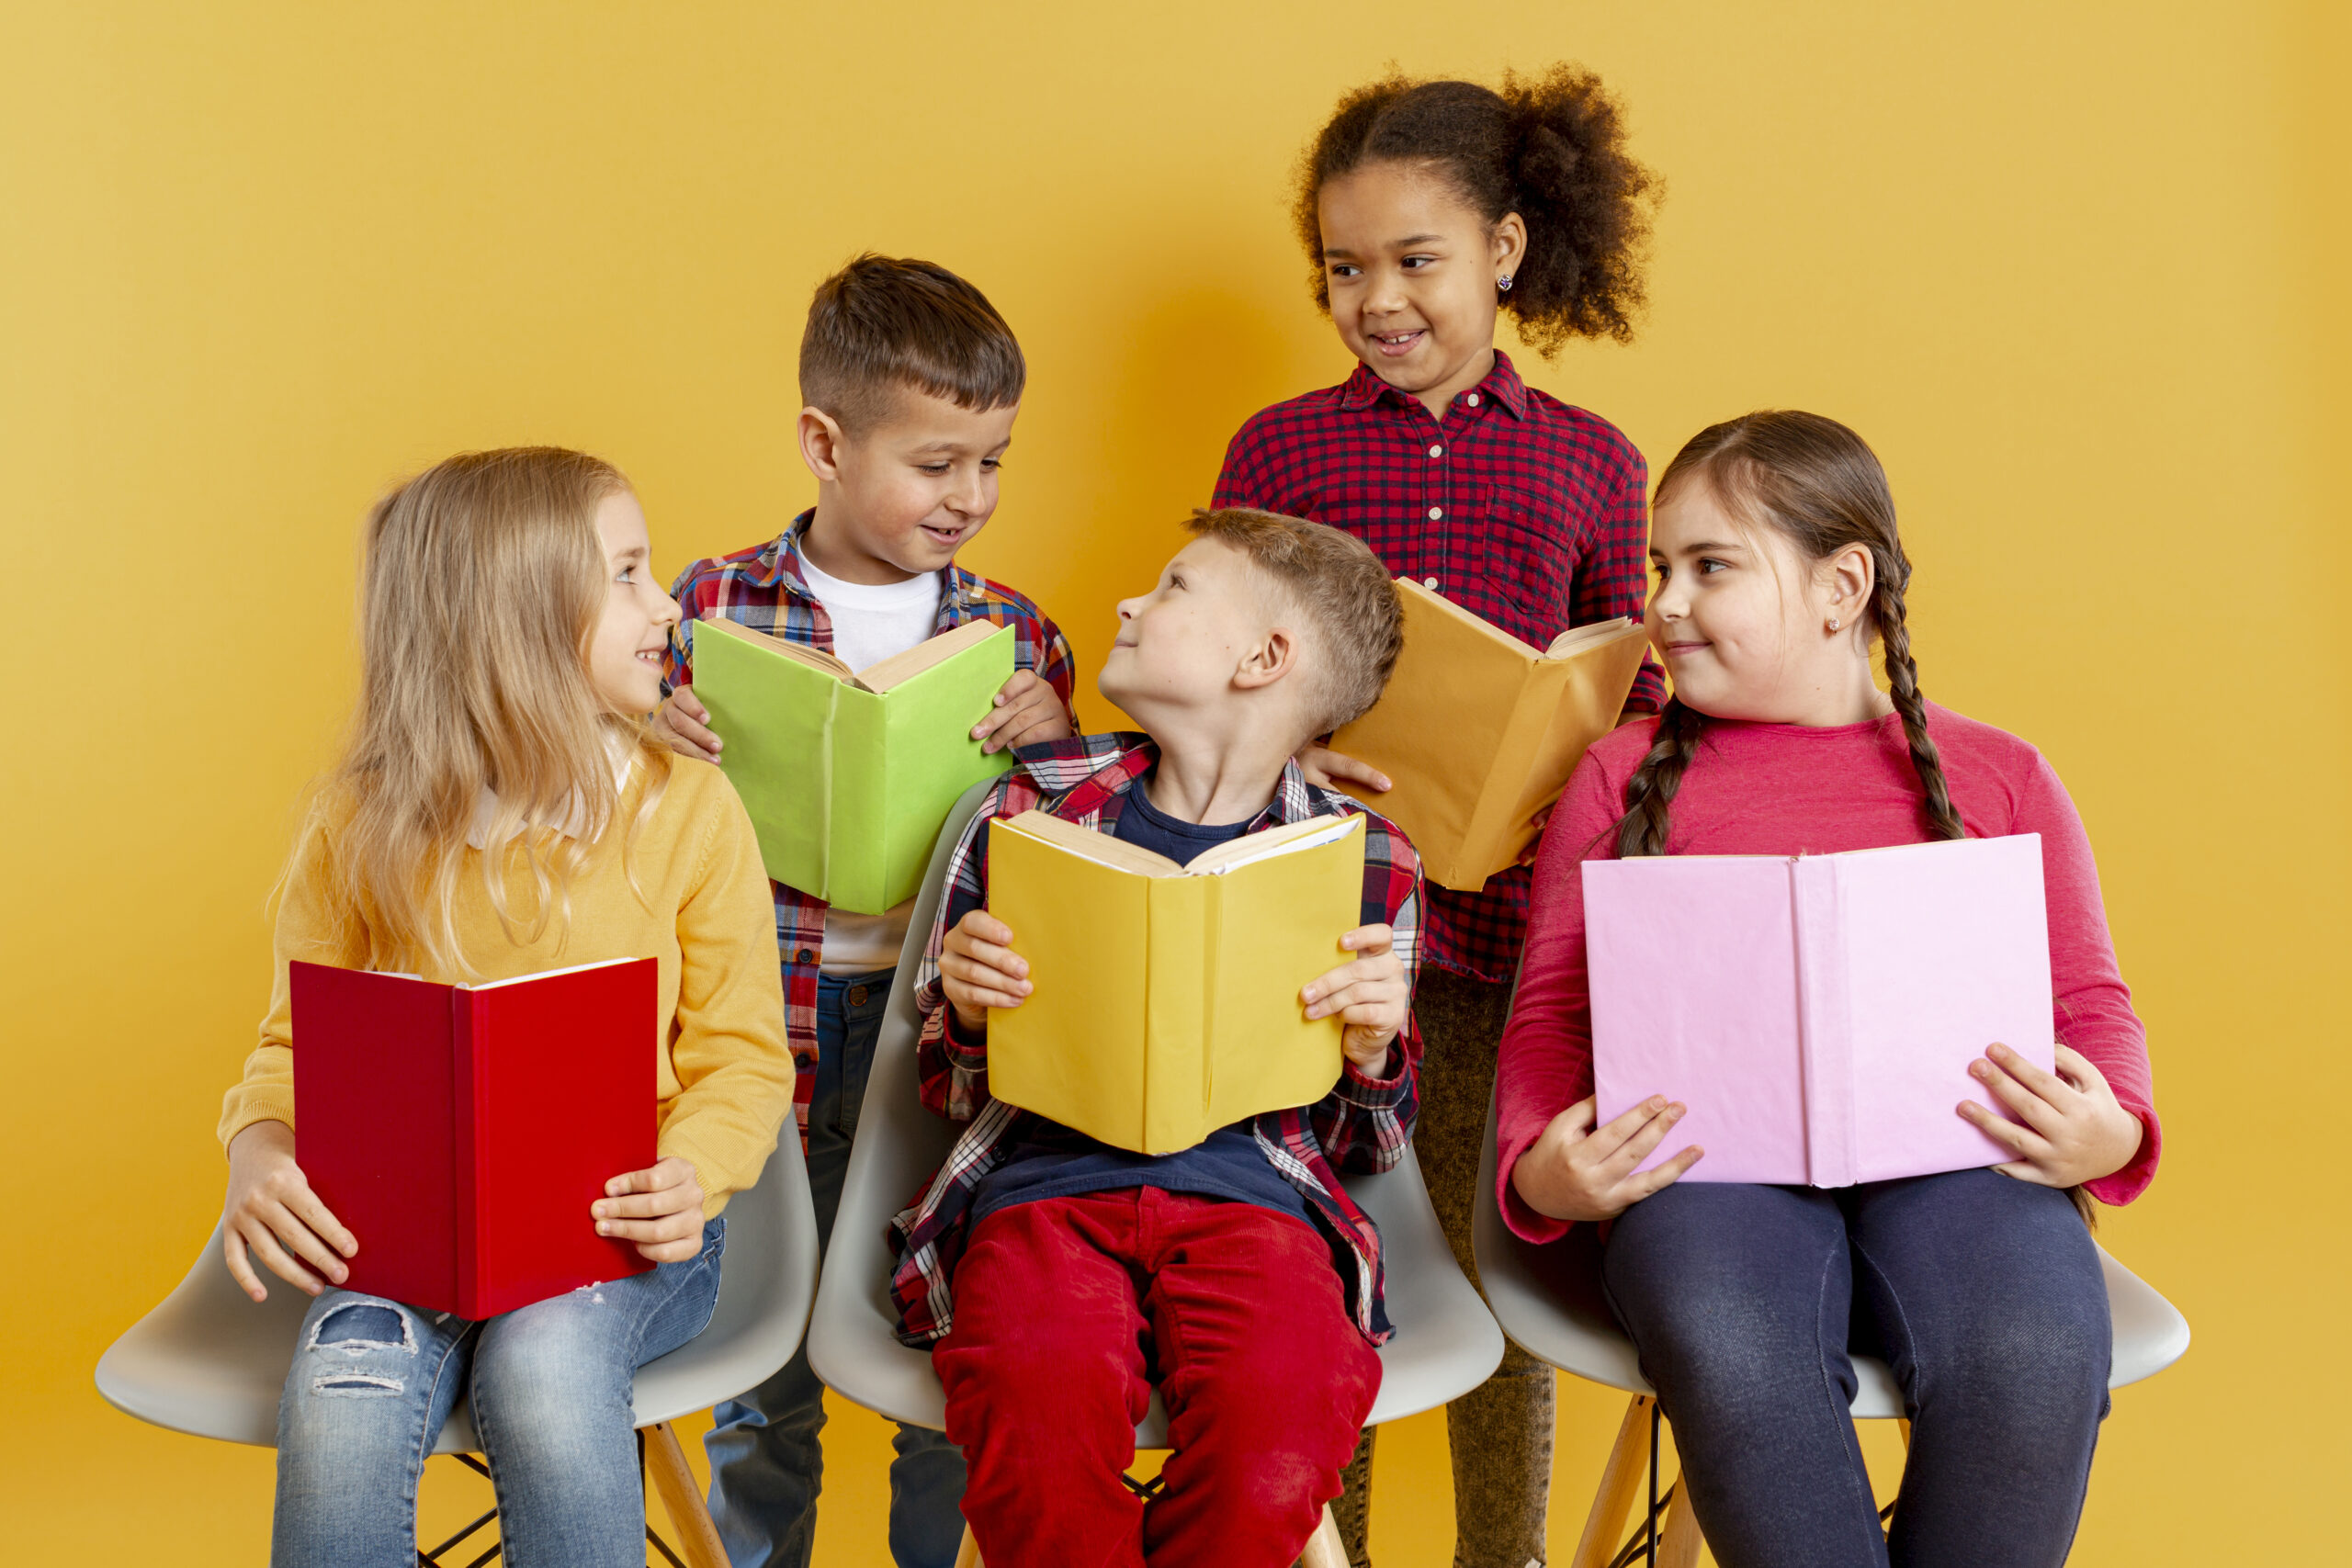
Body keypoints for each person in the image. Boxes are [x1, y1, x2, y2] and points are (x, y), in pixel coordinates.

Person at [1498, 411, 2161, 1568]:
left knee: (2037, 1350)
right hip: (1705, 1180)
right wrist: (1543, 1166)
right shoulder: (1615, 777)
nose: (1664, 601)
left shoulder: (2000, 774)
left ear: (1839, 585)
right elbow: (1552, 1009)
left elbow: (2086, 995)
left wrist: (2109, 1127)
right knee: (1732, 1344)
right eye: (1661, 566)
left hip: (1964, 1166)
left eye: (1709, 567)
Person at [1211, 65, 1663, 1565]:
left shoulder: (1593, 458)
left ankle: (1504, 1551)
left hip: (1499, 938)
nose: (1377, 298)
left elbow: (1638, 687)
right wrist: (1286, 741)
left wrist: (1572, 761)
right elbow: (1212, 660)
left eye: (1417, 260)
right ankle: (1308, 1543)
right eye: (1345, 269)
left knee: (1491, 1277)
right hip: (1309, 924)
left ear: (1506, 253)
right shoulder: (1277, 451)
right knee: (1306, 1267)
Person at [217, 447, 797, 1568]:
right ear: (518, 626)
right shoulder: (360, 826)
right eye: (625, 574)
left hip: (623, 1235)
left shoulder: (689, 810)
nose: (665, 603)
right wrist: (257, 1145)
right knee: (343, 1387)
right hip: (403, 1245)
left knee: (543, 1369)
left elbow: (741, 1058)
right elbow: (296, 1044)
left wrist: (694, 1173)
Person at [650, 254, 1078, 1568]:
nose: (971, 496)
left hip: (936, 1035)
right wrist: (650, 735)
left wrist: (1057, 738)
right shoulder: (706, 607)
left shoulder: (1012, 630)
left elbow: (1073, 839)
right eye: (937, 463)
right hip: (756, 1027)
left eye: (993, 462)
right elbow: (626, 817)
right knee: (760, 1359)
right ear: (824, 444)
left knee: (936, 1340)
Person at [894, 508, 1422, 1567]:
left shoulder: (1369, 861)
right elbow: (946, 1090)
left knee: (1286, 1408)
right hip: (1041, 1190)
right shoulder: (1024, 810)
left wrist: (1371, 1054)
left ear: (1264, 659)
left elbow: (1370, 1150)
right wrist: (964, 1008)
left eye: (1175, 588)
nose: (1132, 603)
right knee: (1030, 1398)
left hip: (1257, 1201)